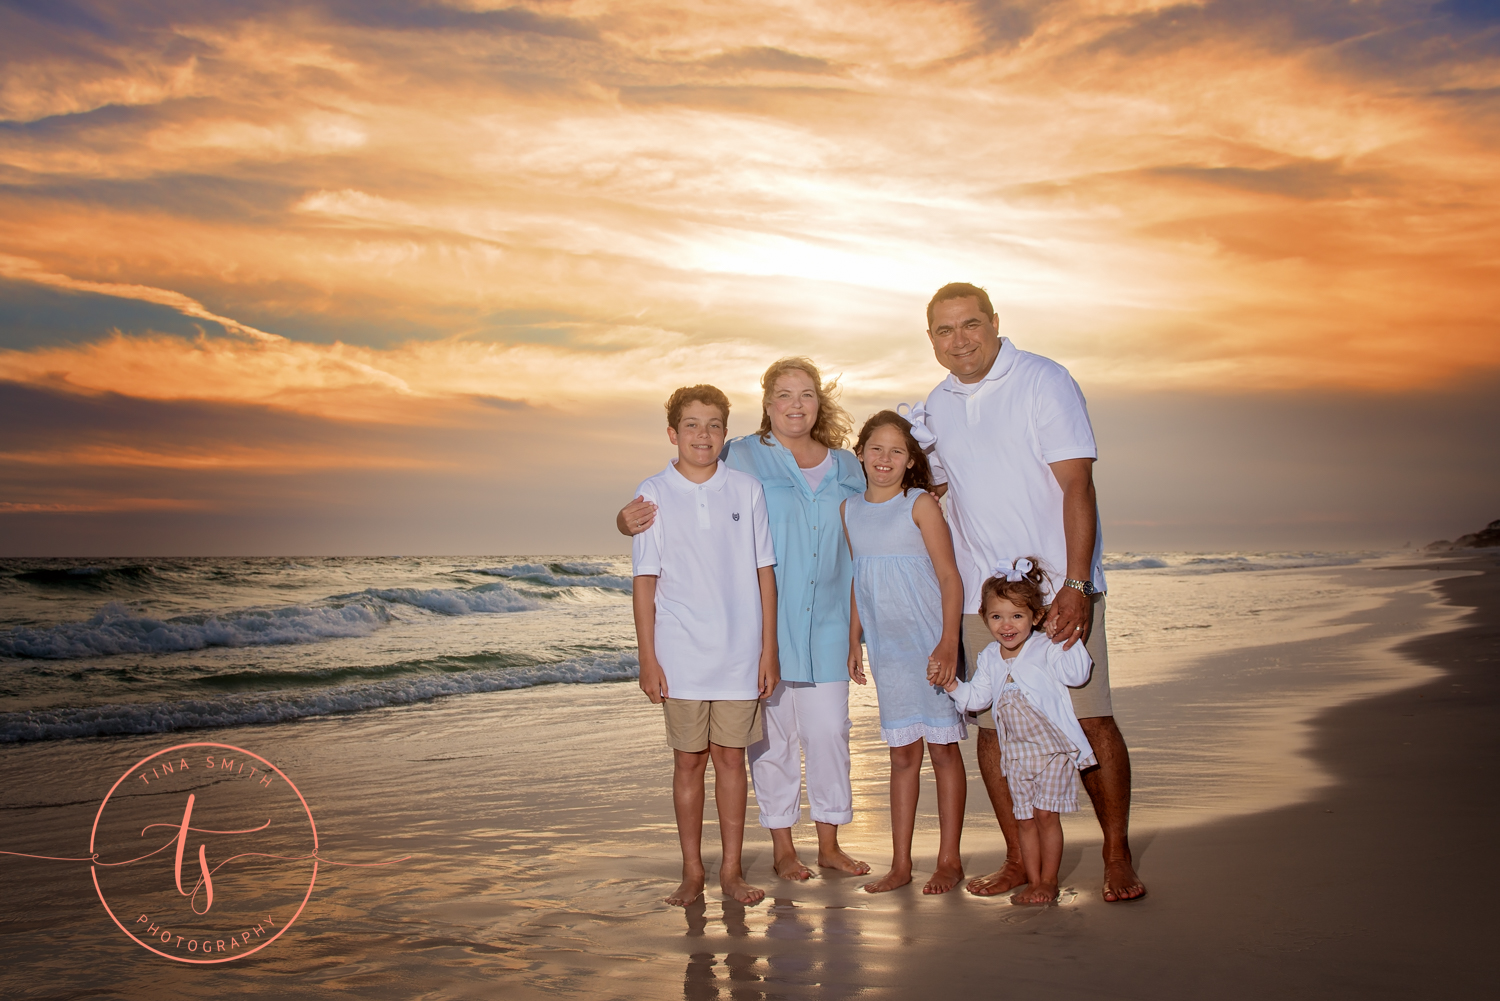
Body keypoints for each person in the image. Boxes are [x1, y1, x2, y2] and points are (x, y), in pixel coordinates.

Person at [918, 282, 1147, 903]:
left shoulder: (1043, 380)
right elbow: (934, 490)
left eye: (969, 325)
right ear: (930, 339)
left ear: (995, 322)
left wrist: (1074, 584)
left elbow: (1078, 485)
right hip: (979, 597)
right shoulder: (934, 406)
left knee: (1089, 714)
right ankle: (1020, 858)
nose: (958, 339)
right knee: (993, 729)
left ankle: (1116, 854)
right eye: (944, 330)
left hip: (1054, 590)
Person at [619, 358, 869, 881]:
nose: (795, 404)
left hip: (826, 621)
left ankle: (829, 844)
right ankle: (782, 847)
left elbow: (882, 505)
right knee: (769, 744)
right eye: (783, 394)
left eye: (805, 394)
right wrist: (624, 520)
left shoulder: (849, 465)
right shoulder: (741, 455)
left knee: (828, 733)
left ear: (819, 401)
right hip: (764, 630)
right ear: (767, 403)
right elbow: (686, 480)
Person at [630, 385, 780, 907]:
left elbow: (765, 573)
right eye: (691, 424)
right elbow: (645, 582)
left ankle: (732, 873)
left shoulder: (746, 489)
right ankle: (693, 871)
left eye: (714, 424)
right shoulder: (651, 492)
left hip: (740, 652)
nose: (703, 434)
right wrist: (648, 658)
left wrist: (769, 650)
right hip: (681, 655)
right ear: (672, 433)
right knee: (689, 762)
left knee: (731, 760)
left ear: (726, 432)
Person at [842, 410, 968, 894]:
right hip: (889, 653)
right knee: (901, 755)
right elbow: (859, 576)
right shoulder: (849, 510)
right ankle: (900, 864)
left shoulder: (919, 505)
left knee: (942, 749)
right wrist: (854, 637)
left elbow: (949, 578)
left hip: (930, 646)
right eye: (876, 448)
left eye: (897, 451)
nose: (885, 458)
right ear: (861, 454)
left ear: (911, 459)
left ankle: (950, 860)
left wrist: (948, 642)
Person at [940, 560, 1095, 905]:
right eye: (997, 617)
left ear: (1036, 617)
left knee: (1045, 816)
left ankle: (1049, 881)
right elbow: (977, 698)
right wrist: (952, 685)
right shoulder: (991, 657)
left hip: (1052, 750)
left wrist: (1066, 639)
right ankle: (1034, 880)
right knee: (1024, 819)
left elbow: (1078, 675)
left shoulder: (1046, 647)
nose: (1006, 625)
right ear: (984, 617)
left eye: (1016, 616)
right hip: (1017, 755)